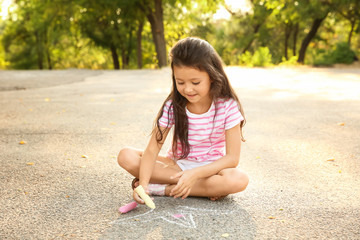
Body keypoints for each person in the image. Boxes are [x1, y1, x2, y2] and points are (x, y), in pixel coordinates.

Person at [118, 37, 249, 204]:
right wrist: (143, 184)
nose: (187, 89)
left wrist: (195, 174)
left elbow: (232, 158)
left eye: (195, 82)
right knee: (126, 156)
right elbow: (152, 149)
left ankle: (164, 189)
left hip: (211, 170)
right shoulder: (173, 105)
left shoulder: (227, 106)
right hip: (177, 166)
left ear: (212, 77)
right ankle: (198, 188)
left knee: (238, 179)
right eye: (180, 82)